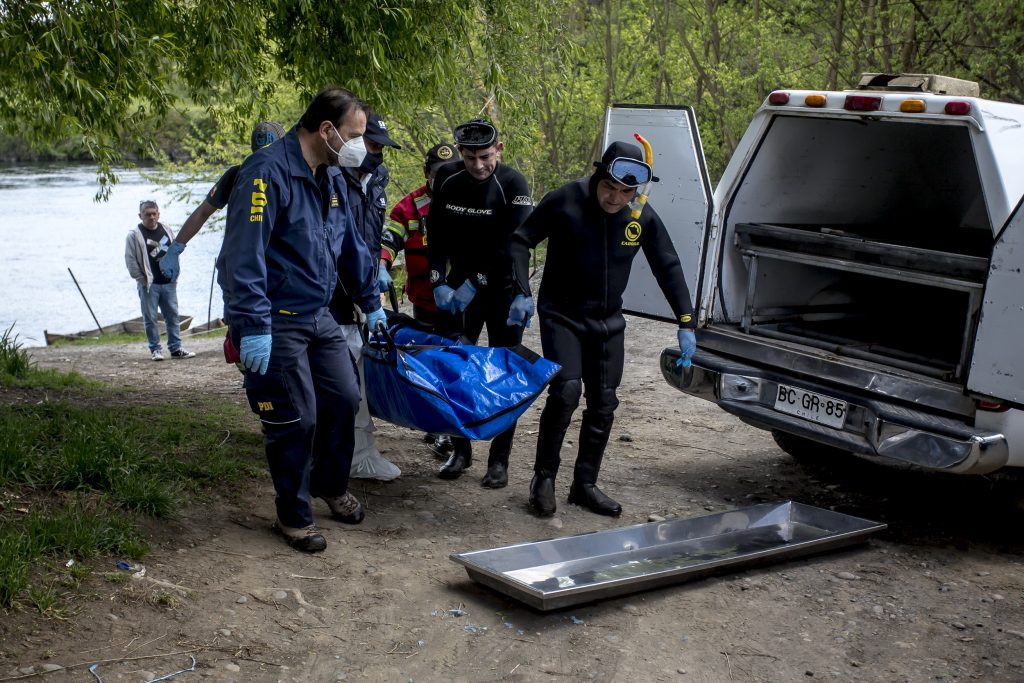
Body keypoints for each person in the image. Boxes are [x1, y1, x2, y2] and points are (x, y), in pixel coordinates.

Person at [217, 87, 386, 553]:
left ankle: (329, 484)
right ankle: (294, 516)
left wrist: (370, 300)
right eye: (354, 135)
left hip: (318, 315)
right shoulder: (265, 172)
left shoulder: (327, 175)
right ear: (327, 130)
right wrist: (252, 325)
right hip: (274, 320)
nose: (358, 144)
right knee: (295, 419)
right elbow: (241, 256)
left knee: (344, 400)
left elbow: (348, 241)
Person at [507, 141, 698, 517]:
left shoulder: (639, 216)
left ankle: (585, 485)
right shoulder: (566, 200)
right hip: (561, 314)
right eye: (610, 188)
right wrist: (520, 291)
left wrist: (686, 322)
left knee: (604, 401)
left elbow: (668, 266)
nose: (615, 198)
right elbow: (520, 240)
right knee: (566, 392)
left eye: (626, 192)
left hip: (607, 321)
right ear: (599, 176)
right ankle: (543, 479)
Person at [427, 119, 534, 486]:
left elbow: (514, 245)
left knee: (504, 373)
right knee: (455, 369)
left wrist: (477, 281)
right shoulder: (448, 179)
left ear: (499, 150)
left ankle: (499, 460)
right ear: (460, 154)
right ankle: (461, 450)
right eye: (470, 157)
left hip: (503, 289)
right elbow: (436, 236)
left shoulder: (514, 184)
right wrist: (438, 280)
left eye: (485, 157)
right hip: (458, 291)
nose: (477, 165)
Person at [328, 111, 402, 481]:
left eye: (381, 147)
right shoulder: (330, 178)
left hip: (366, 289)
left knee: (359, 375)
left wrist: (380, 270)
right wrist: (364, 294)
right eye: (371, 144)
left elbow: (370, 237)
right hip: (336, 296)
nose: (377, 153)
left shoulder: (376, 179)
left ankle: (360, 453)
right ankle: (340, 457)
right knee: (340, 382)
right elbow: (340, 244)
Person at [380, 141, 462, 456]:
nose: (443, 178)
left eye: (450, 172)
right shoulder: (410, 206)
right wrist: (381, 266)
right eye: (437, 172)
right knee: (426, 363)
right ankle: (435, 425)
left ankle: (449, 428)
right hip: (425, 300)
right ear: (426, 172)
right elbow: (388, 240)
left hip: (462, 301)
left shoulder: (469, 200)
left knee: (453, 362)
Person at [159, 122, 286, 281]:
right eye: (259, 154)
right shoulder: (236, 174)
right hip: (241, 270)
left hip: (277, 270)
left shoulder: (291, 177)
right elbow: (203, 212)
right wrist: (176, 248)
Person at [124, 200, 195, 361]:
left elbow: (174, 252)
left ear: (158, 214)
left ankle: (176, 348)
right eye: (147, 214)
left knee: (173, 316)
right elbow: (130, 260)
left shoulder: (166, 229)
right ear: (140, 216)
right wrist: (141, 279)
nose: (151, 217)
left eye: (154, 213)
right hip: (149, 284)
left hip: (168, 282)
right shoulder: (134, 235)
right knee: (150, 318)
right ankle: (156, 350)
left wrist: (175, 275)